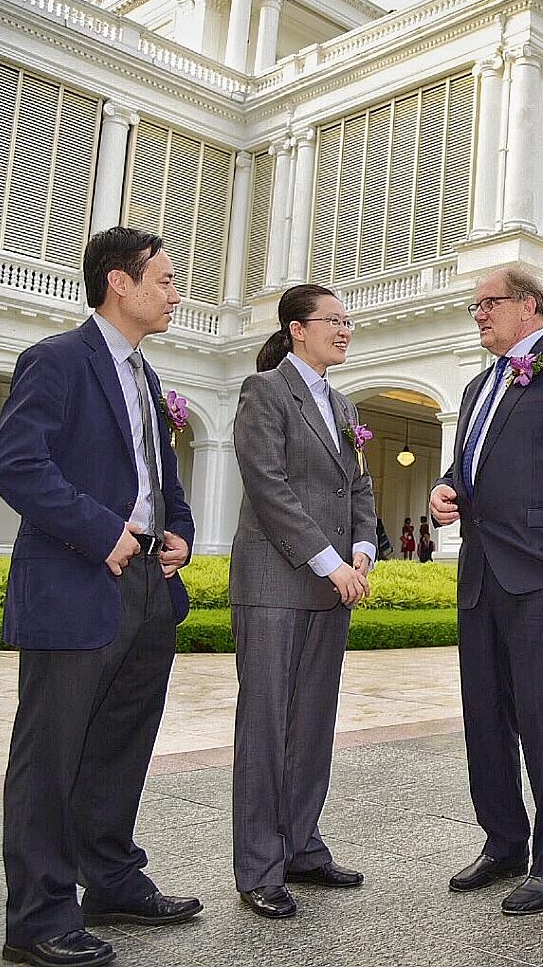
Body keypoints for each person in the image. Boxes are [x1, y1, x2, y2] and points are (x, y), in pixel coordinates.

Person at [0, 226, 202, 967]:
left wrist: (178, 529)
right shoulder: (56, 360)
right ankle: (39, 917)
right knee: (51, 756)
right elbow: (16, 466)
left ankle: (111, 881)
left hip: (149, 583)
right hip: (78, 581)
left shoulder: (145, 376)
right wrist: (101, 529)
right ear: (120, 281)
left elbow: (159, 479)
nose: (176, 293)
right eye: (166, 279)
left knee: (121, 744)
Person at [429, 266, 543, 915]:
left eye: (490, 303)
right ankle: (504, 842)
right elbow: (469, 465)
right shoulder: (478, 385)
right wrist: (444, 489)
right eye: (474, 305)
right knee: (485, 718)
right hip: (480, 577)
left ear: (530, 306)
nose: (478, 314)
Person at [228, 284, 377, 919]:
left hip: (332, 586)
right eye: (332, 321)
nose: (344, 330)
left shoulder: (342, 403)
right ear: (296, 329)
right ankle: (259, 866)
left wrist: (365, 549)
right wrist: (329, 561)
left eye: (348, 321)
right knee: (266, 724)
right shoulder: (264, 391)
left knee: (313, 723)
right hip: (275, 584)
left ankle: (301, 846)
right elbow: (268, 485)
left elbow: (359, 488)